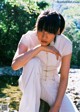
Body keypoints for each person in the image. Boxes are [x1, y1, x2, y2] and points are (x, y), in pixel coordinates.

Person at [11, 10, 79, 112]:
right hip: (30, 80)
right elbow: (15, 65)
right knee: (33, 62)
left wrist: (56, 106)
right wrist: (39, 48)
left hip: (52, 84)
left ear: (58, 31)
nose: (44, 36)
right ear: (36, 27)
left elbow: (64, 77)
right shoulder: (28, 37)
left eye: (49, 32)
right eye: (41, 30)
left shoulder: (65, 44)